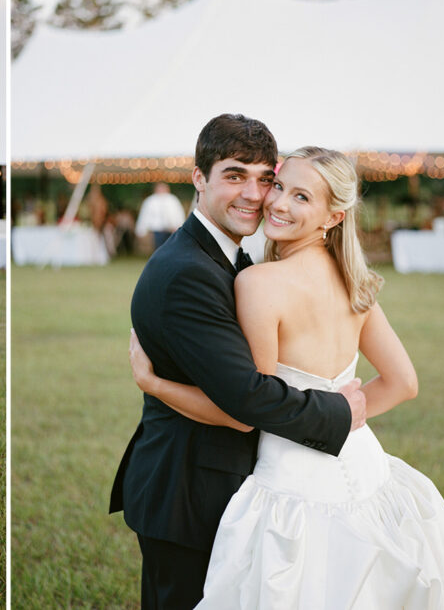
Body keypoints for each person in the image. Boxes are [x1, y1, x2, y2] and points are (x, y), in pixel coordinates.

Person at [129, 146, 444, 608]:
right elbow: (402, 382)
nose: (278, 203)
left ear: (333, 216)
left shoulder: (260, 284)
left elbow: (246, 410)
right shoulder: (354, 280)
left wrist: (155, 384)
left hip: (290, 484)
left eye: (302, 197)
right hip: (367, 469)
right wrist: (345, 412)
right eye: (280, 186)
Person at [110, 114, 367, 610]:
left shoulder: (231, 258)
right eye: (234, 176)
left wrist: (154, 383)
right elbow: (243, 402)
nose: (255, 194)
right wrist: (336, 412)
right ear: (199, 178)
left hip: (223, 484)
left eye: (264, 179)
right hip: (186, 494)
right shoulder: (187, 271)